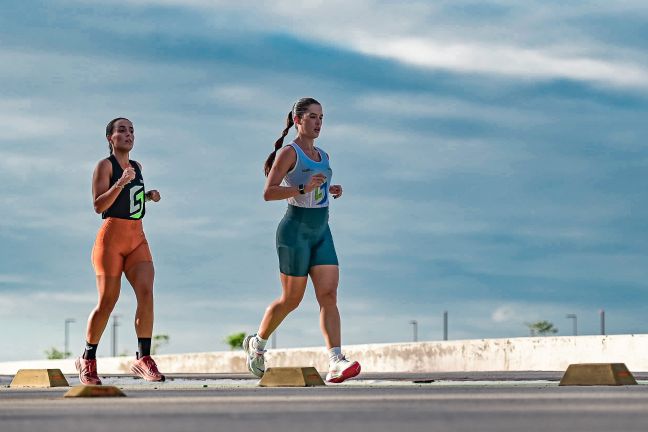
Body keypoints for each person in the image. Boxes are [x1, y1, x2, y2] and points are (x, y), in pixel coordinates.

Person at [242, 97, 361, 383]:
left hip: (322, 231)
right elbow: (268, 192)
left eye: (321, 117)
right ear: (298, 121)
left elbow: (313, 190)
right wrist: (302, 187)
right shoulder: (288, 153)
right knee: (292, 299)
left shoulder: (324, 155)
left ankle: (335, 360)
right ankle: (257, 344)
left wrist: (329, 189)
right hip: (294, 231)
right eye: (312, 117)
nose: (318, 123)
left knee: (328, 295)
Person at [75, 117, 165, 385]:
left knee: (147, 293)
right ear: (110, 138)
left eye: (132, 131)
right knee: (108, 301)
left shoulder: (137, 167)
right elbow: (99, 205)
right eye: (122, 130)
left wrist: (148, 196)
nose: (128, 135)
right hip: (110, 242)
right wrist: (121, 182)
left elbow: (129, 200)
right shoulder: (105, 166)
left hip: (137, 239)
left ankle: (142, 358)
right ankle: (87, 358)